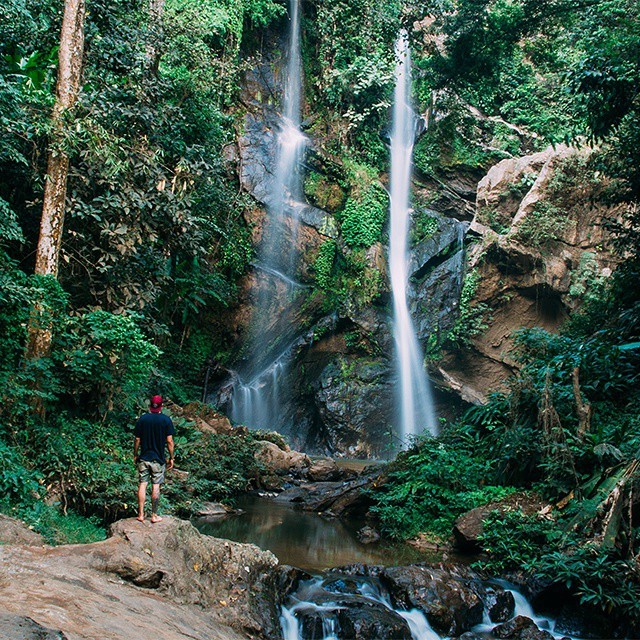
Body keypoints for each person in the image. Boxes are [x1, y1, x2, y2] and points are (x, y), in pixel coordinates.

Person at [134, 395, 175, 523]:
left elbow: (137, 439)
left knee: (142, 484)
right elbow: (169, 441)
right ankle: (154, 515)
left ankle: (141, 515)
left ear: (150, 406)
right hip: (158, 459)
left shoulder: (143, 419)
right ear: (161, 406)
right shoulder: (166, 420)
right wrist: (172, 457)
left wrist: (135, 454)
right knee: (156, 486)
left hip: (144, 457)